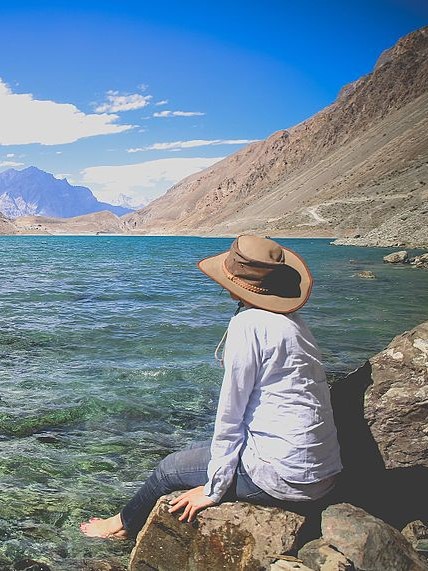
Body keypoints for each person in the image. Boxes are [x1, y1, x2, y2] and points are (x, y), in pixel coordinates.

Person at [80, 235, 342, 539]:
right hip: (321, 472)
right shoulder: (293, 321)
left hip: (282, 477)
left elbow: (231, 414)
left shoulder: (248, 325)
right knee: (194, 452)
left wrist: (213, 489)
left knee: (168, 469)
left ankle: (121, 525)